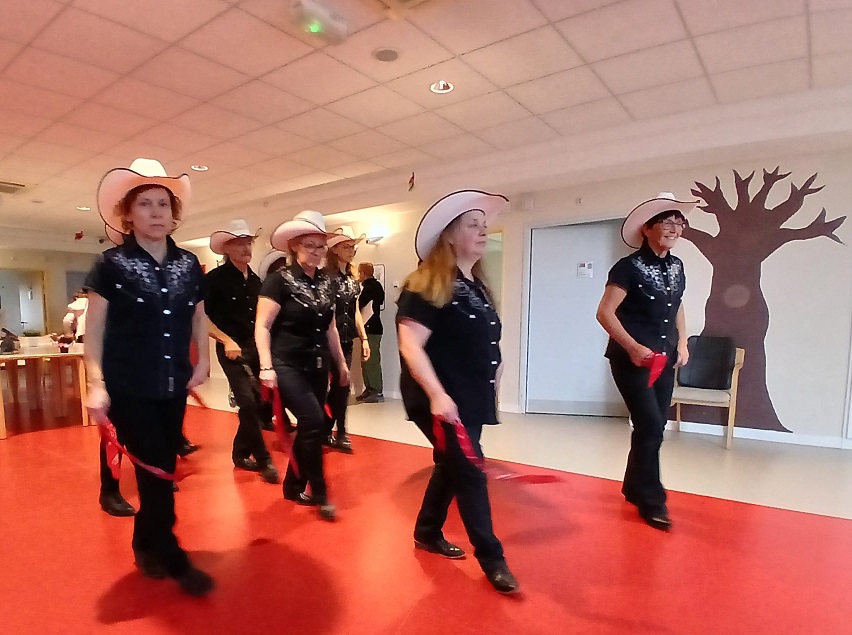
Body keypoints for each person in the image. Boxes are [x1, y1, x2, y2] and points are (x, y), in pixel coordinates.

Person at [85, 157, 214, 596]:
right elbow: (95, 329)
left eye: (163, 204)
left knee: (163, 467)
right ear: (128, 214)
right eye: (145, 204)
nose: (156, 212)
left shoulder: (189, 264)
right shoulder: (111, 264)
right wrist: (96, 383)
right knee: (157, 470)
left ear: (173, 214)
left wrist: (204, 359)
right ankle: (173, 555)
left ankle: (145, 543)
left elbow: (198, 315)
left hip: (173, 382)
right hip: (129, 384)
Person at [396, 189, 519, 594]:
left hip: (470, 394)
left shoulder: (477, 286)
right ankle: (492, 558)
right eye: (473, 225)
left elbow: (484, 340)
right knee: (469, 471)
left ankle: (427, 531)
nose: (483, 231)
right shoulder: (424, 285)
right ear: (449, 235)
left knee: (452, 466)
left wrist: (495, 373)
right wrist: (437, 395)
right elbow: (410, 345)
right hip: (439, 396)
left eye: (484, 225)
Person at [596, 192, 695, 531]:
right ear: (647, 229)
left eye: (679, 223)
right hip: (631, 360)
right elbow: (605, 313)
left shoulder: (677, 266)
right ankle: (653, 500)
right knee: (651, 425)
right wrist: (633, 347)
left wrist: (683, 341)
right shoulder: (627, 267)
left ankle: (633, 486)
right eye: (667, 222)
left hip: (665, 358)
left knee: (652, 426)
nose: (675, 229)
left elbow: (677, 305)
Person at [256, 211, 349, 522]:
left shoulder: (327, 282)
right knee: (312, 420)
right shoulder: (279, 280)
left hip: (318, 364)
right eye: (310, 245)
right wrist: (266, 367)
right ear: (294, 246)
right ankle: (320, 492)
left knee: (314, 426)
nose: (317, 251)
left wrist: (341, 363)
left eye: (321, 246)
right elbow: (262, 325)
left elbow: (331, 327)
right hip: (286, 363)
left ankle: (293, 485)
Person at [205, 219, 279, 484]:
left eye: (248, 243)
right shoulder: (214, 280)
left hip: (255, 347)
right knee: (247, 401)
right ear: (226, 248)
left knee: (259, 404)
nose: (246, 248)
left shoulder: (256, 281)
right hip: (231, 349)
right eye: (239, 243)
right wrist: (226, 340)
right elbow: (200, 318)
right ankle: (264, 459)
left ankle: (240, 452)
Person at [323, 226, 370, 453]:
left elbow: (356, 311)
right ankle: (328, 429)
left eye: (353, 247)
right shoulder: (326, 278)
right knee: (329, 388)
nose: (351, 250)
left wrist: (364, 338)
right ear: (334, 250)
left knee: (342, 387)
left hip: (346, 340)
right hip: (325, 341)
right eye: (347, 246)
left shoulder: (353, 280)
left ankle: (339, 431)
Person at [356, 262, 385, 404]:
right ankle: (370, 388)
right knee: (367, 361)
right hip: (374, 327)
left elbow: (359, 304)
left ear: (363, 273)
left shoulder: (369, 288)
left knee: (371, 361)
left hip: (370, 328)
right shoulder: (377, 286)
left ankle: (375, 390)